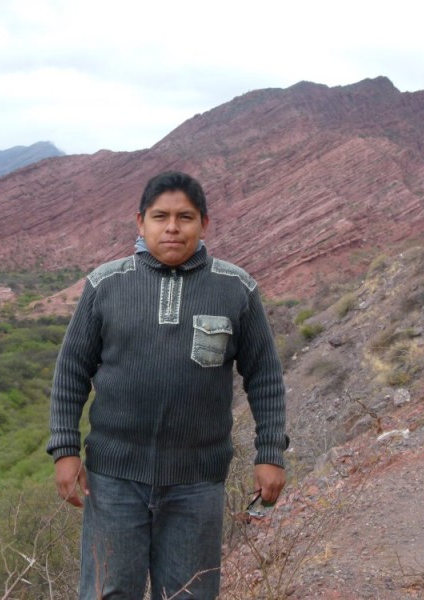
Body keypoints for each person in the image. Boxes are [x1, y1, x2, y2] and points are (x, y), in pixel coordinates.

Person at [47, 171, 288, 599]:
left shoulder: (236, 289)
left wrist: (270, 453)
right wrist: (65, 451)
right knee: (108, 592)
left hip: (197, 482)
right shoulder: (106, 285)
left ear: (204, 224)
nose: (172, 227)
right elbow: (71, 373)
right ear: (140, 222)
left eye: (185, 217)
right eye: (160, 217)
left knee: (188, 593)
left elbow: (265, 378)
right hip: (113, 478)